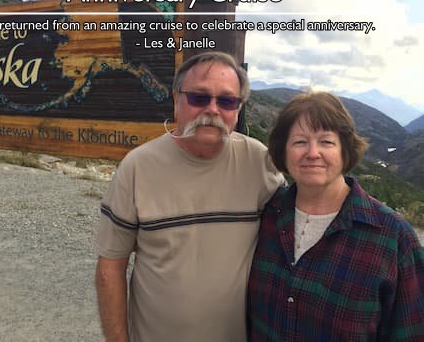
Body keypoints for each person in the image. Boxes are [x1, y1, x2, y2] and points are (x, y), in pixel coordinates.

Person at [95, 51, 285, 342]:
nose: (212, 109)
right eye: (199, 97)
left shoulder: (258, 162)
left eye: (226, 100)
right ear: (176, 99)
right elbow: (110, 267)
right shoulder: (138, 167)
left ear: (238, 107)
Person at [247, 91, 424, 341]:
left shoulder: (393, 238)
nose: (312, 152)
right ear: (283, 151)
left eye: (326, 142)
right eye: (299, 141)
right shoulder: (267, 216)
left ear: (345, 150)